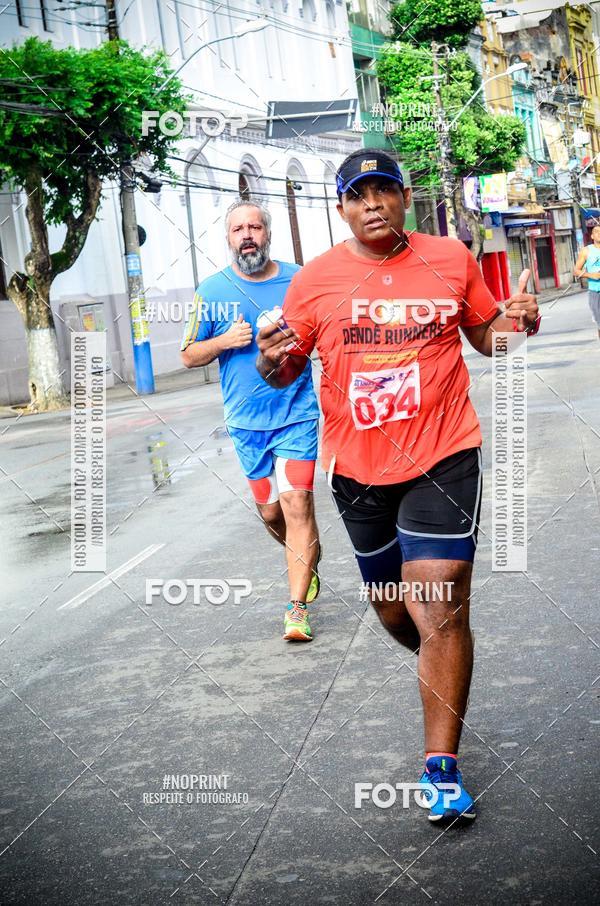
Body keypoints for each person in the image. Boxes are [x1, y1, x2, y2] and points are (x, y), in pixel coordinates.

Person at [257, 149, 540, 822]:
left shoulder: (448, 259)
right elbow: (281, 371)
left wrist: (517, 324)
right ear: (343, 209)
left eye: (386, 190)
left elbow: (485, 339)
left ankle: (440, 769)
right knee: (394, 609)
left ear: (407, 198)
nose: (374, 203)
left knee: (438, 603)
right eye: (360, 195)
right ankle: (441, 659)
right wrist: (269, 359)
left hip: (444, 454)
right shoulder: (315, 282)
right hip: (357, 470)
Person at [181, 199, 321, 642]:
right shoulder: (212, 290)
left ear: (268, 234)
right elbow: (187, 356)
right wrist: (223, 340)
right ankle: (305, 555)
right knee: (270, 511)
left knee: (297, 503)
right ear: (228, 238)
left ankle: (296, 609)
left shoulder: (298, 280)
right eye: (238, 229)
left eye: (255, 227)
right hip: (245, 421)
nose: (247, 235)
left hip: (296, 412)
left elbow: (324, 333)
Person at [574, 224, 600, 339]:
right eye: (596, 232)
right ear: (592, 236)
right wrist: (591, 275)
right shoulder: (586, 251)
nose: (599, 233)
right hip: (595, 292)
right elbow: (576, 271)